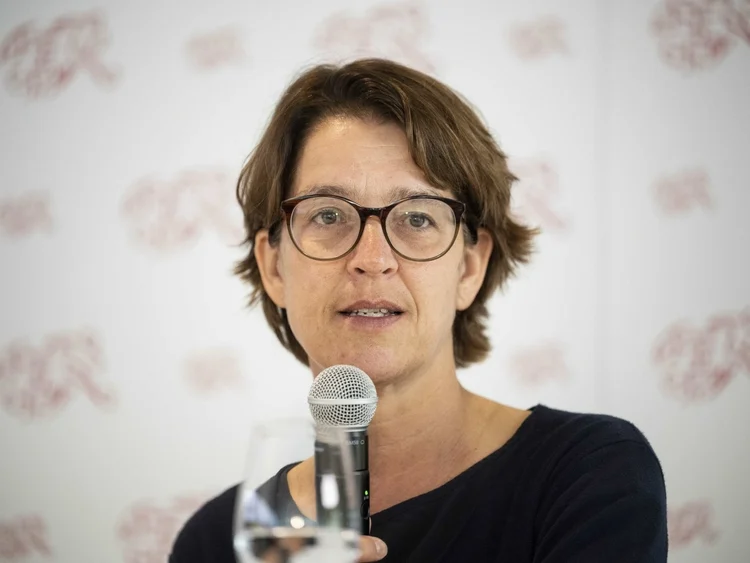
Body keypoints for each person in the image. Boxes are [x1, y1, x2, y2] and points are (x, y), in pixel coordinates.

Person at [170, 58, 668, 562]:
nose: (372, 259)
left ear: (469, 267)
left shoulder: (588, 471)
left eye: (416, 218)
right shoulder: (219, 540)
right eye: (328, 215)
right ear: (273, 266)